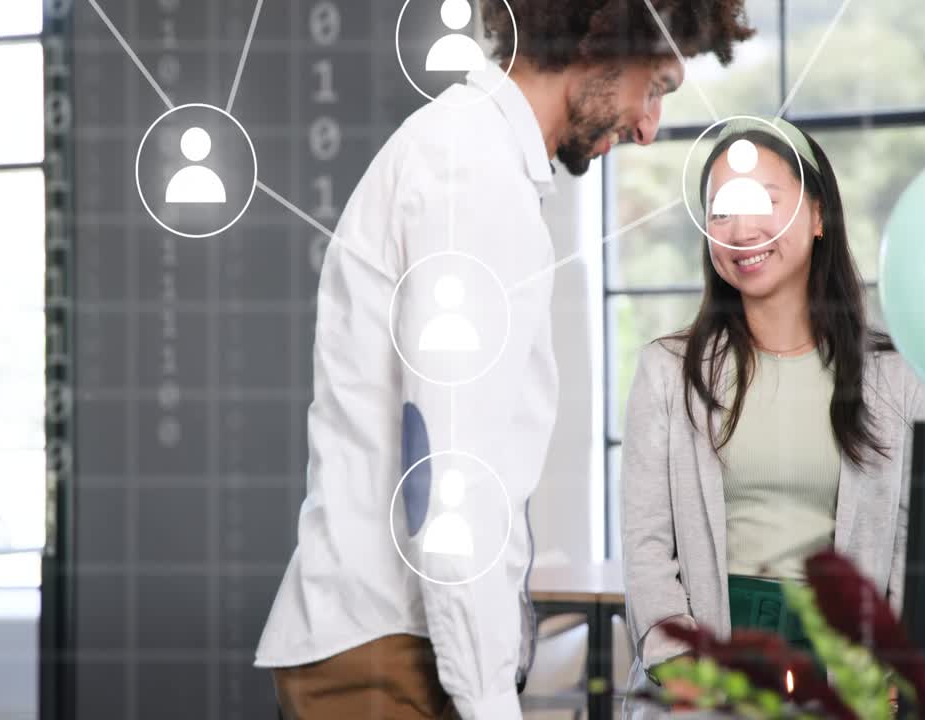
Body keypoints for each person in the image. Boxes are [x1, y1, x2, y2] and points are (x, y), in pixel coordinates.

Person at [255, 2, 755, 718]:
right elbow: (449, 479)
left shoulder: (465, 153)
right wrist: (490, 702)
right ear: (605, 37)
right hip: (388, 654)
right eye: (657, 86)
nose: (648, 127)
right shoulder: (472, 175)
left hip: (386, 643)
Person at [619, 117, 925, 701]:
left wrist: (894, 670)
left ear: (817, 216)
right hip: (708, 665)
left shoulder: (894, 378)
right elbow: (645, 545)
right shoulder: (668, 371)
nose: (741, 229)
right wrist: (683, 667)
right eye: (720, 211)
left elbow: (910, 549)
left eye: (764, 201)